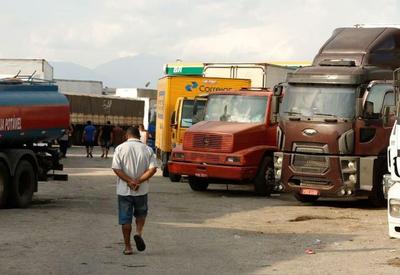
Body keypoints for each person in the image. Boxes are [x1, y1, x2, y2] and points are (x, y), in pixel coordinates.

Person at [112, 126, 158, 255]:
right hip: (141, 190)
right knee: (141, 214)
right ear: (139, 136)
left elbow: (116, 169)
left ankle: (128, 247)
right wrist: (138, 181)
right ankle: (138, 233)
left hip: (124, 191)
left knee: (125, 219)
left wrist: (129, 181)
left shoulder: (120, 148)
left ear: (127, 136)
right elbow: (153, 169)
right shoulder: (148, 149)